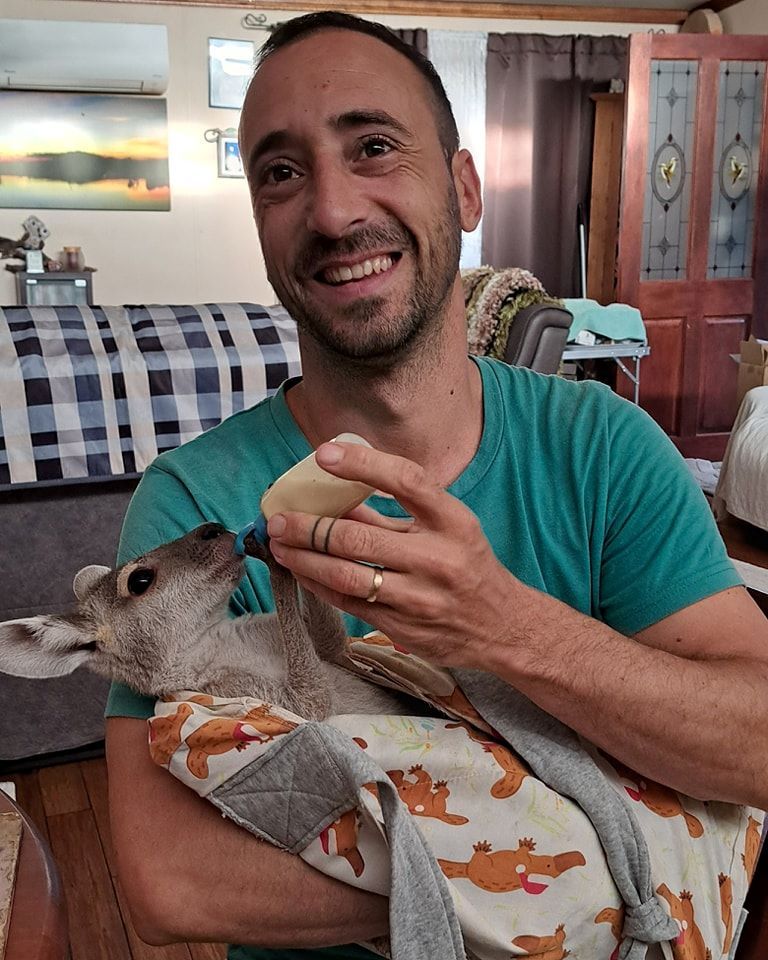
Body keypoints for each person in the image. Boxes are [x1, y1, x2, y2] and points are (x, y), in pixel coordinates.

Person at [105, 12, 768, 960]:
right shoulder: (197, 511)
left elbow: (758, 740)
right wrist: (579, 860)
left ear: (463, 188)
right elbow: (171, 878)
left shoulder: (602, 447)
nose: (333, 213)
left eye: (374, 147)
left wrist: (501, 624)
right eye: (282, 174)